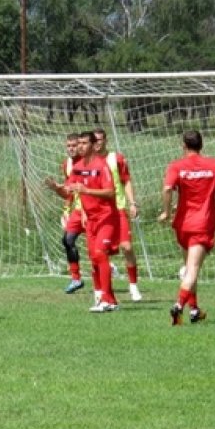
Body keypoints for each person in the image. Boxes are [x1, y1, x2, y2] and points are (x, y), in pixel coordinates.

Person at [158, 130, 215, 325]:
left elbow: (167, 189)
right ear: (202, 145)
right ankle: (179, 306)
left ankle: (194, 309)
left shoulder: (177, 166)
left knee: (189, 268)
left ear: (184, 145)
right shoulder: (214, 165)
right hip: (202, 224)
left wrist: (166, 211)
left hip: (182, 225)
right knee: (192, 271)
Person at [64, 131, 120, 312]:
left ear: (94, 145)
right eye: (78, 143)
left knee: (100, 254)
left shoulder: (101, 165)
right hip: (91, 220)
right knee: (94, 258)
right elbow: (69, 191)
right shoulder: (78, 167)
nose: (80, 146)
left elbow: (111, 192)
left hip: (107, 218)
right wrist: (57, 188)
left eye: (84, 143)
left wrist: (86, 191)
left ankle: (105, 299)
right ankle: (108, 300)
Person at [93, 128, 142, 301]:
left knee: (127, 247)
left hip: (119, 208)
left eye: (100, 139)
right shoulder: (88, 162)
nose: (97, 143)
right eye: (94, 140)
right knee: (100, 251)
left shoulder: (116, 159)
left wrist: (132, 203)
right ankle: (101, 290)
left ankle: (133, 286)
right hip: (99, 214)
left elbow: (126, 180)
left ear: (106, 140)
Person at [47, 133, 87, 294]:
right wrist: (57, 189)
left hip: (93, 210)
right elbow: (68, 192)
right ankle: (76, 278)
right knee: (67, 240)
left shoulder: (89, 162)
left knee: (98, 248)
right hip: (77, 210)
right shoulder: (67, 165)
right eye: (68, 146)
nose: (71, 149)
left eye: (74, 145)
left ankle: (105, 276)